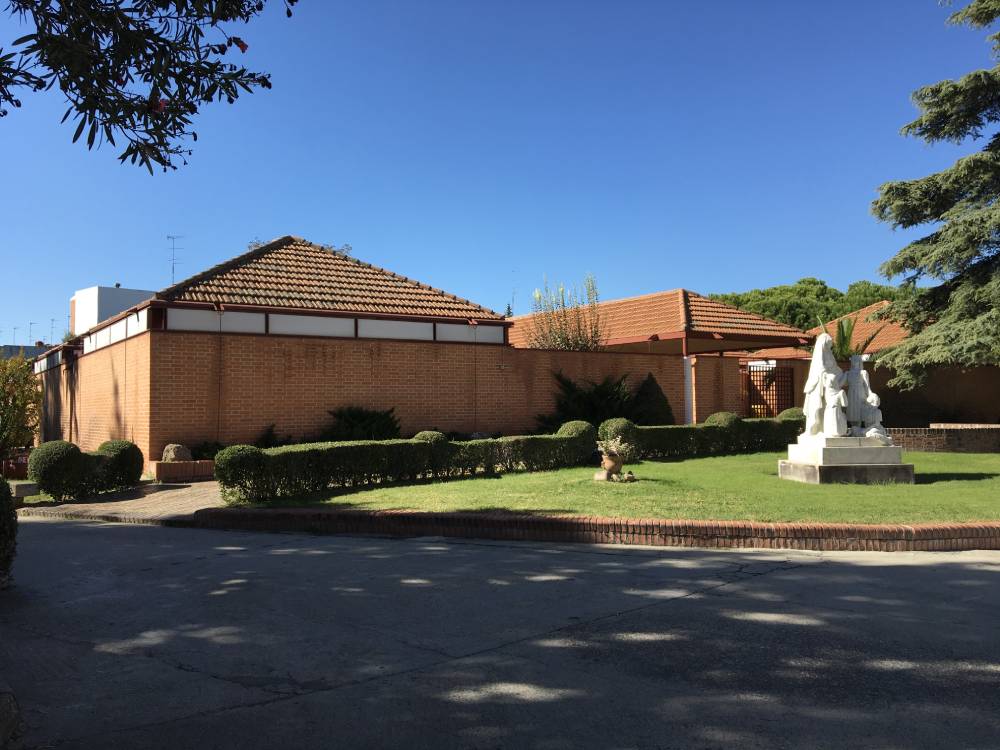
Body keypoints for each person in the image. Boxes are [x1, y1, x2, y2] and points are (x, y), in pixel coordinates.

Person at [802, 333, 847, 437]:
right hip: (820, 384)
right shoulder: (819, 354)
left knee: (829, 407)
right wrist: (826, 375)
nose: (830, 347)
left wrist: (841, 374)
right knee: (818, 407)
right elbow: (820, 368)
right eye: (828, 344)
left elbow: (835, 368)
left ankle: (829, 429)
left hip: (830, 385)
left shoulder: (829, 354)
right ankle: (817, 429)